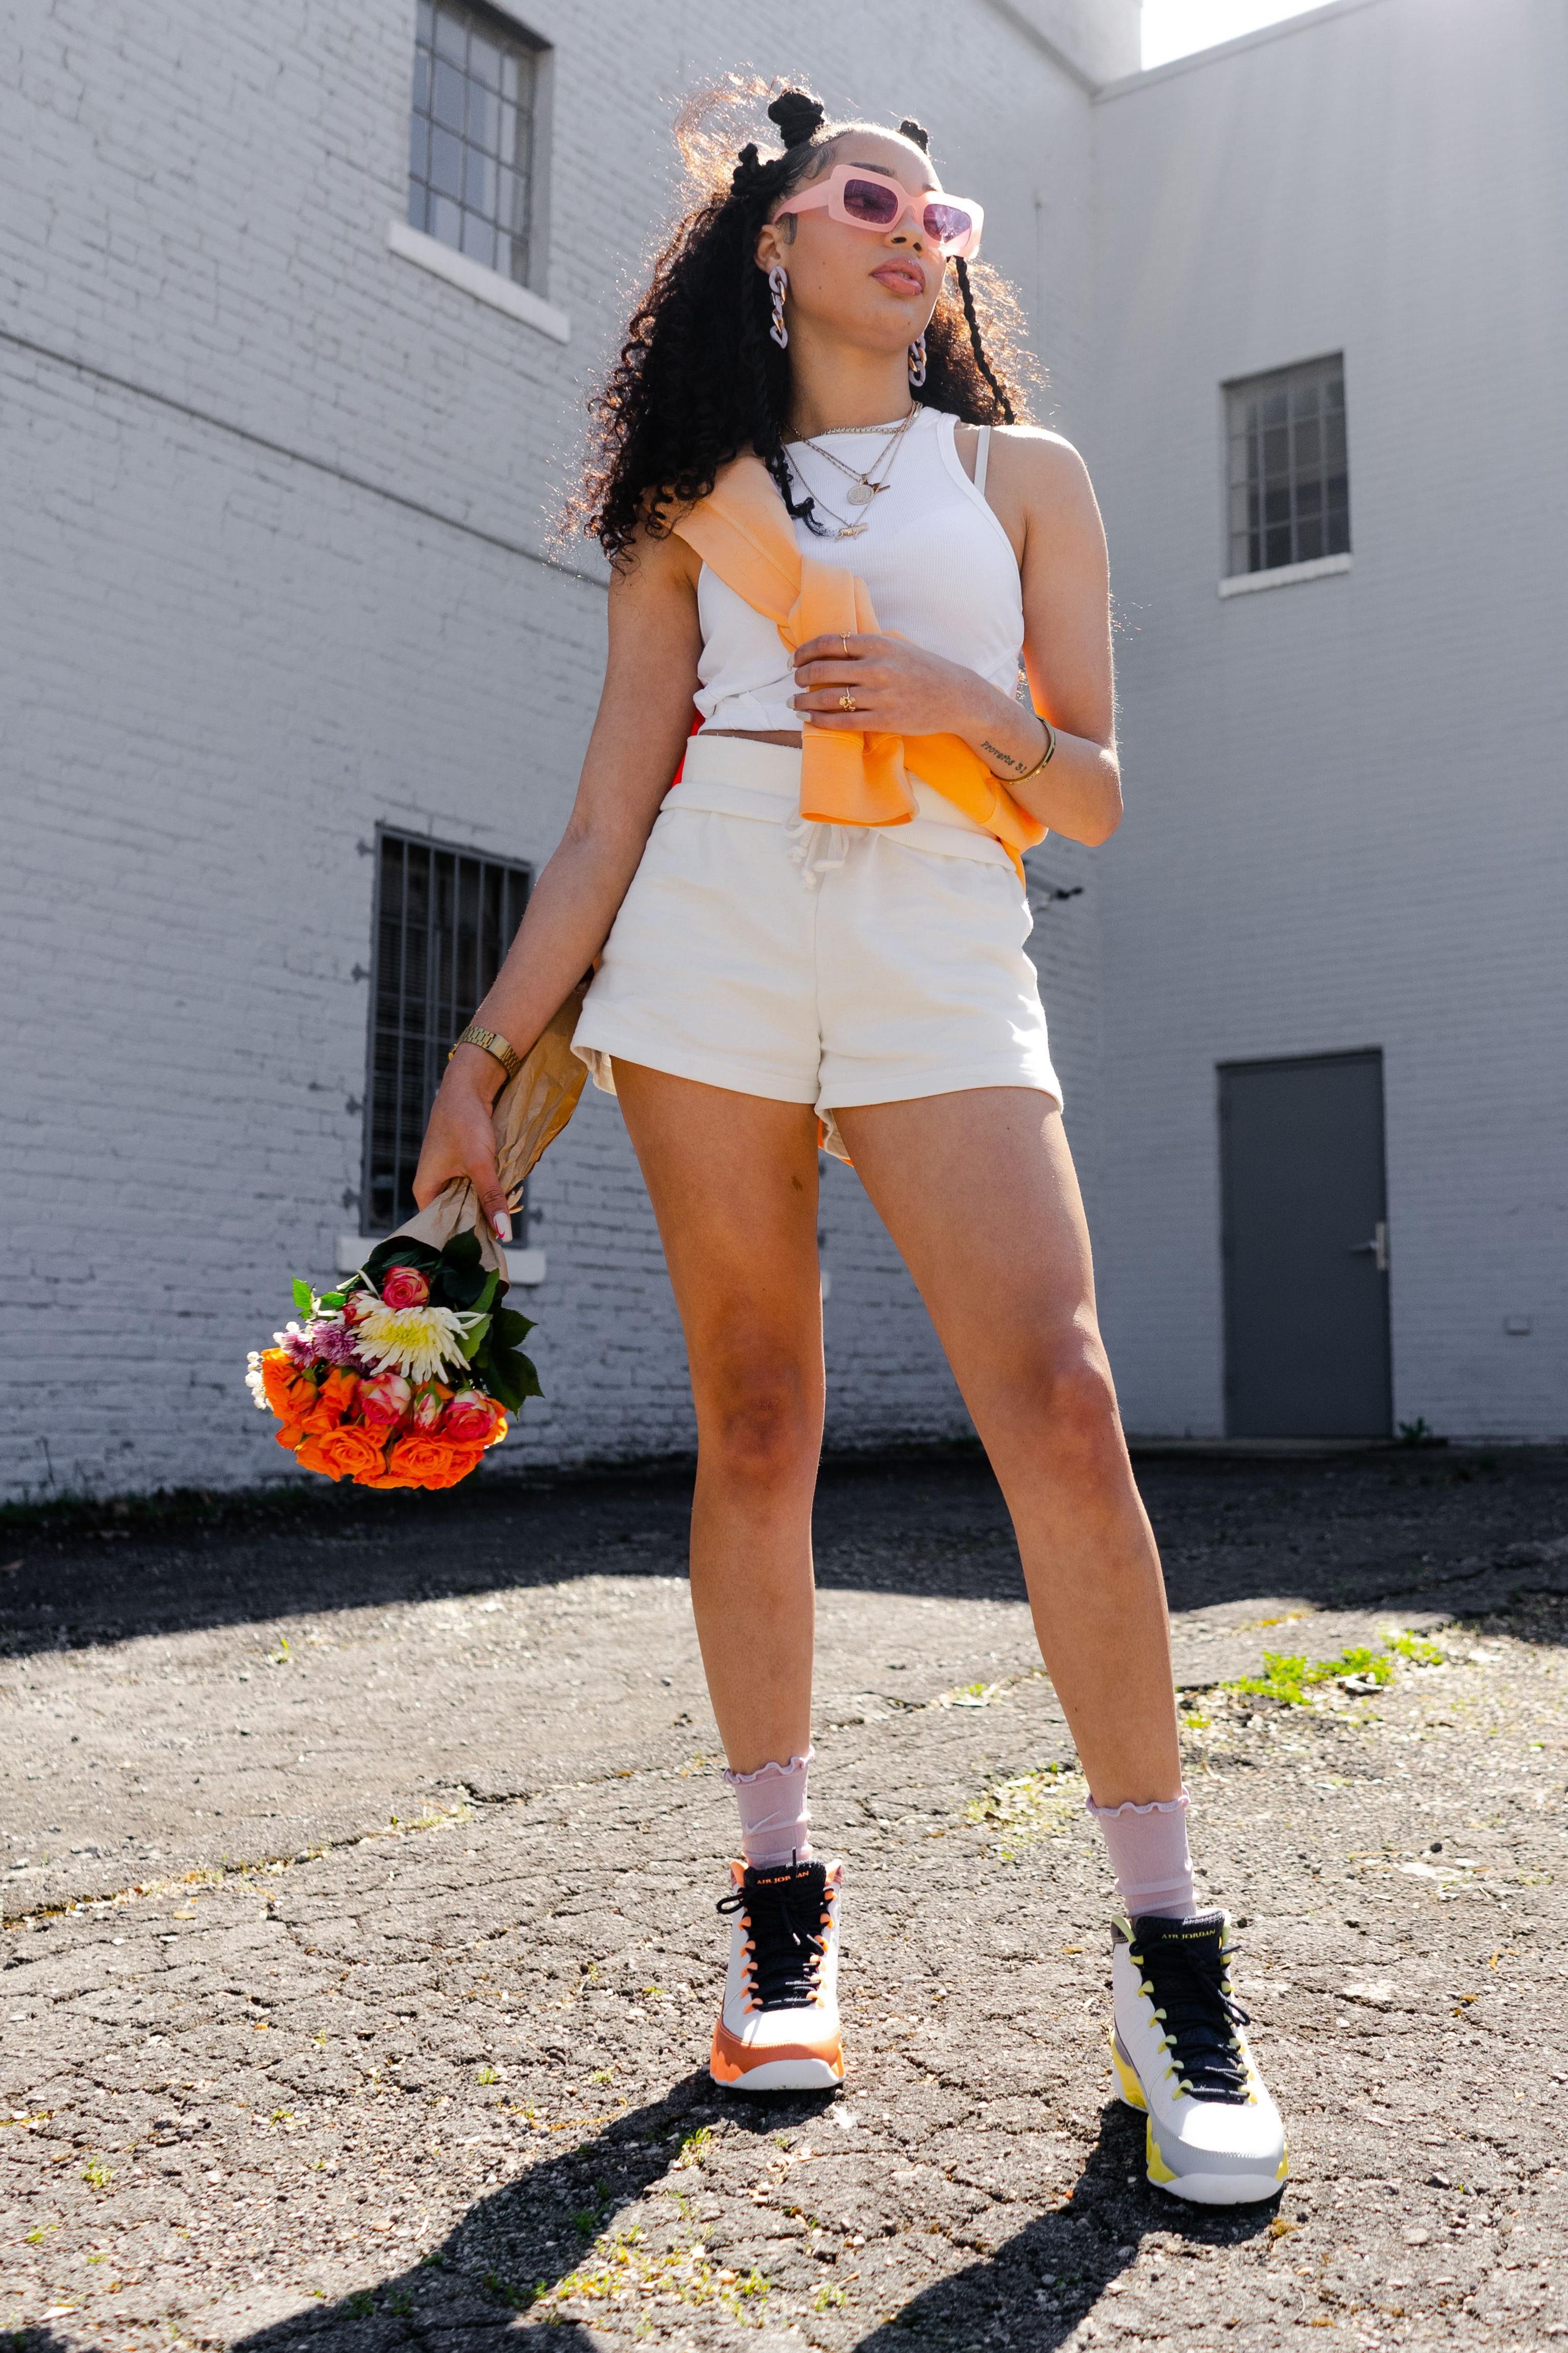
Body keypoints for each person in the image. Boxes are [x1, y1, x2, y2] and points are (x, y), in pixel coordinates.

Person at [412, 83, 1286, 2206]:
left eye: (940, 210)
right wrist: (487, 1054)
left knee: (1062, 1402)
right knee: (759, 1416)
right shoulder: (685, 504)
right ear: (775, 242)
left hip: (936, 950)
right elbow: (607, 814)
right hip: (708, 942)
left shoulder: (1023, 475)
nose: (917, 229)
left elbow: (1093, 793)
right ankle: (780, 1916)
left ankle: (1169, 1957)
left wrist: (963, 705)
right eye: (869, 197)